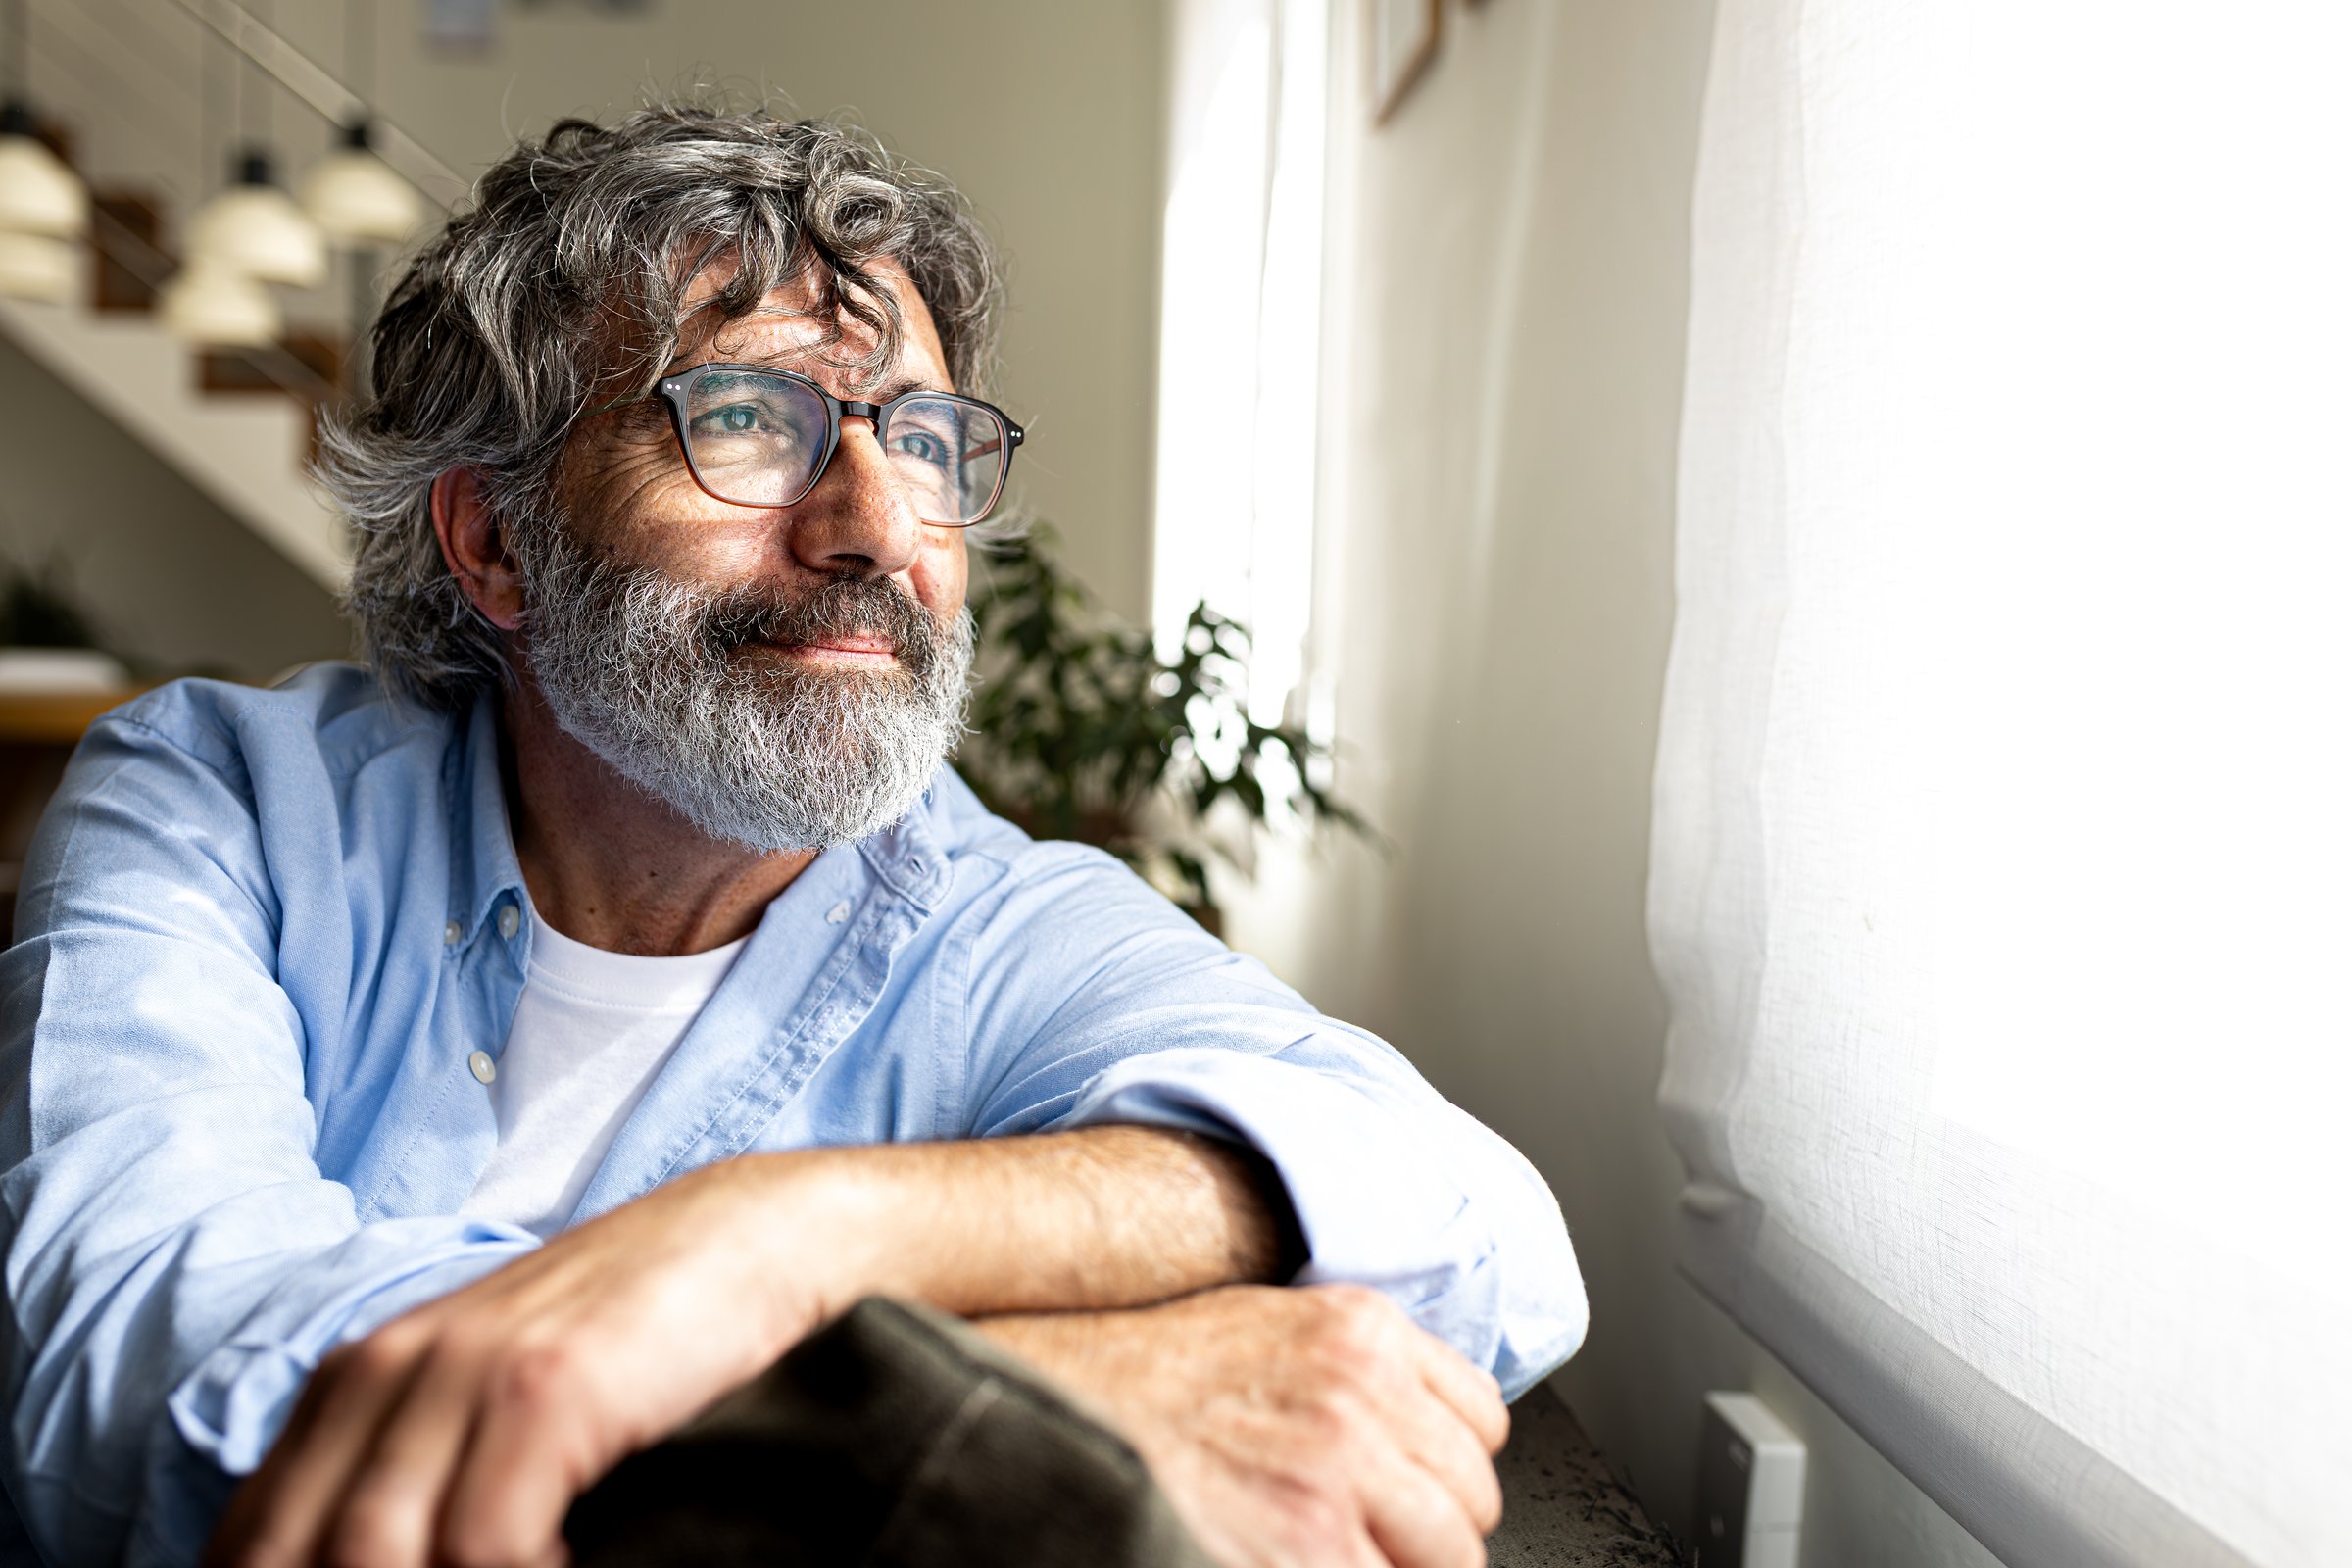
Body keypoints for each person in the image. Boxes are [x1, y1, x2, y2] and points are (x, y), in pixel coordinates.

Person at [0, 103, 1585, 1568]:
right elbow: (129, 1378)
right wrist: (949, 1413)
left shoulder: (1001, 920)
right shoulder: (220, 803)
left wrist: (789, 1239)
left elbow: (1478, 1230)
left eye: (923, 437)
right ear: (496, 542)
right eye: (747, 422)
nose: (879, 527)